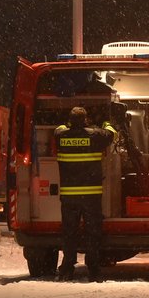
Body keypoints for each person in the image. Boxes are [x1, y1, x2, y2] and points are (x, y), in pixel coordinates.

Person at [54, 106, 117, 282]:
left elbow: (58, 128)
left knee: (69, 232)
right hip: (91, 195)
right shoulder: (95, 136)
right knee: (92, 232)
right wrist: (105, 122)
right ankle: (94, 270)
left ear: (70, 120)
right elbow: (111, 134)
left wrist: (68, 123)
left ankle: (67, 268)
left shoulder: (61, 135)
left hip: (69, 196)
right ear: (85, 120)